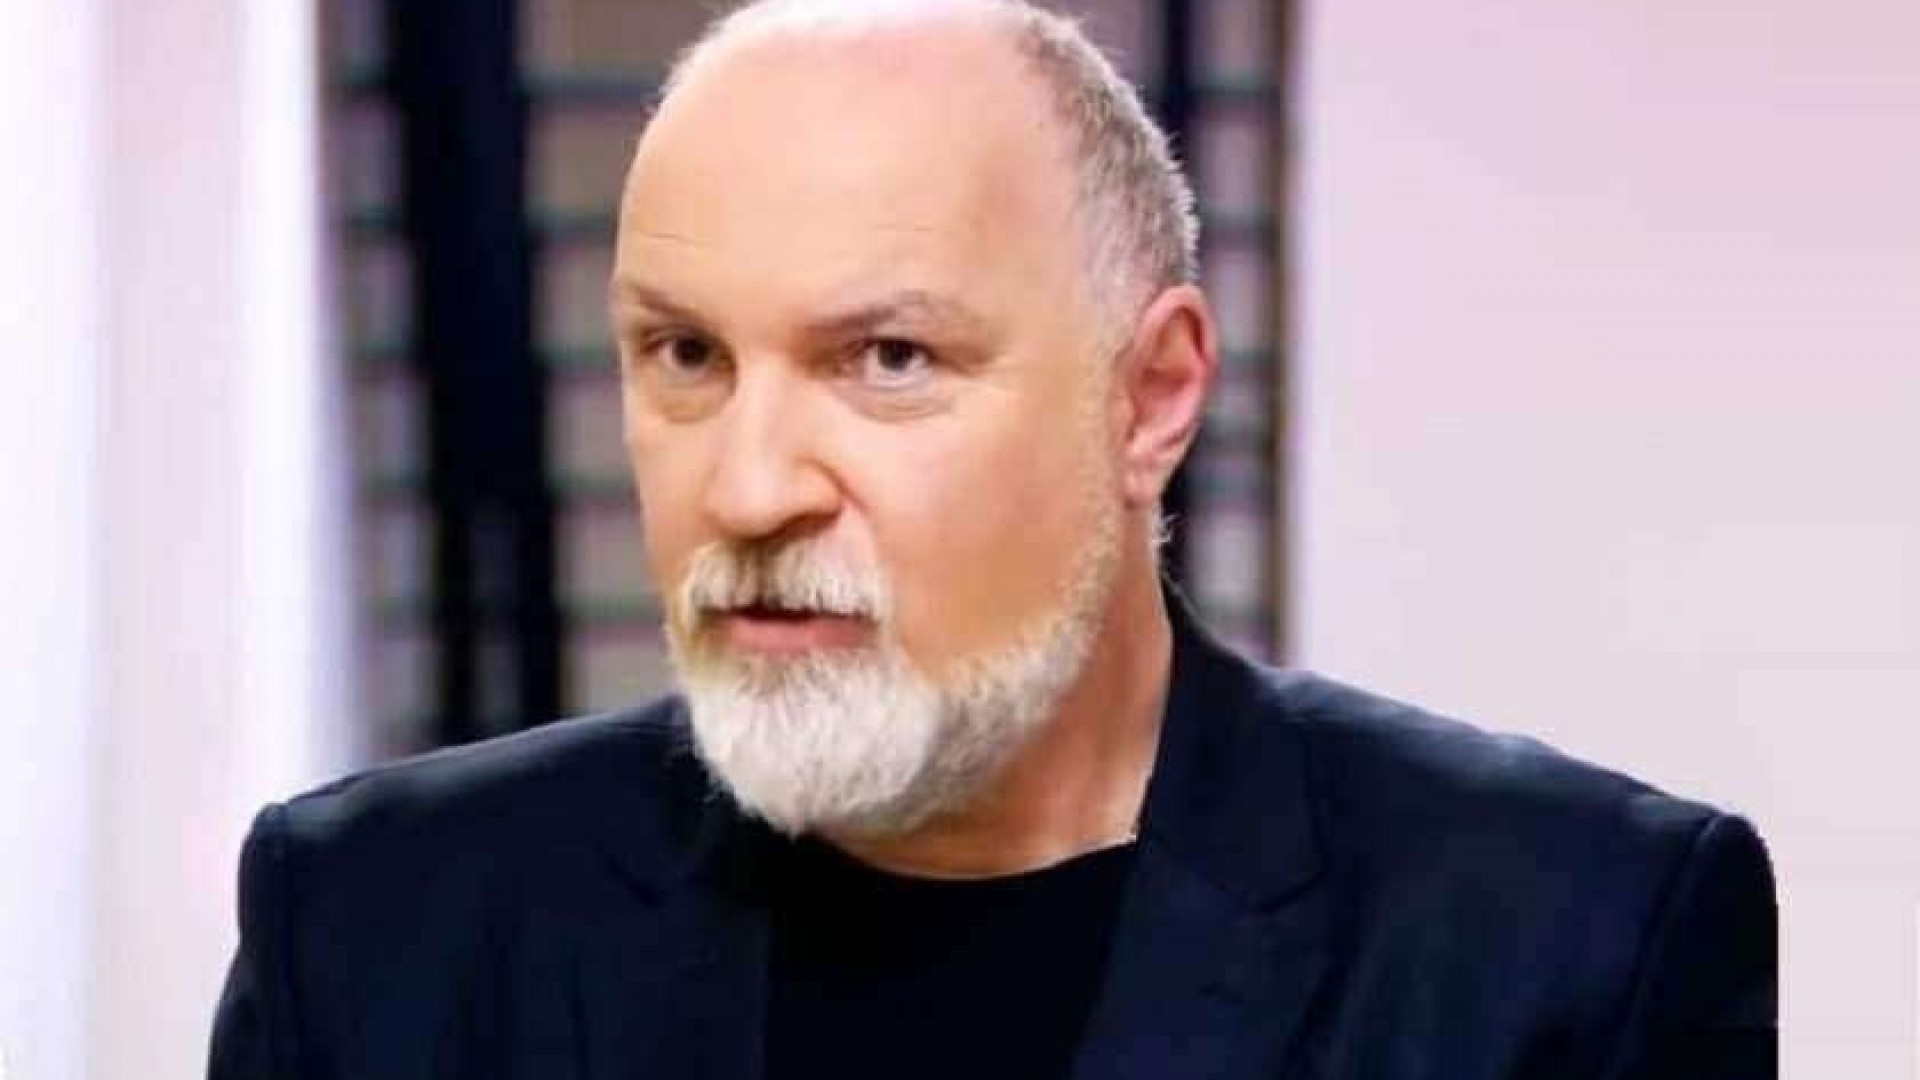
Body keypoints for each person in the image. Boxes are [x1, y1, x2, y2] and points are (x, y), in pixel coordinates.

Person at [207, 1, 1776, 1077]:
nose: (749, 489)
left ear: (1150, 398)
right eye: (685, 355)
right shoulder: (375, 934)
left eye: (887, 359)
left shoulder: (1568, 953)